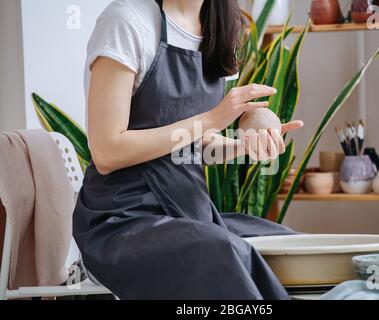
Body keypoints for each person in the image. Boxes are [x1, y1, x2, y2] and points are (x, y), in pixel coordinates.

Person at [73, 0, 303, 300]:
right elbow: (106, 152)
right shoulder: (127, 20)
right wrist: (212, 118)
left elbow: (191, 143)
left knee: (297, 248)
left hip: (188, 212)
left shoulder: (220, 28)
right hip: (121, 219)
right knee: (223, 252)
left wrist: (242, 147)